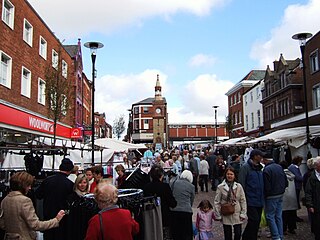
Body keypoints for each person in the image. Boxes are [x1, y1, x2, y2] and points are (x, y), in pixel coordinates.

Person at [0, 172, 65, 240]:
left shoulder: (5, 200)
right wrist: (56, 220)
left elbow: (2, 224)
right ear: (23, 185)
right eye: (28, 185)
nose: (30, 188)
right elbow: (35, 225)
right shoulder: (24, 201)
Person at [35, 158, 74, 240]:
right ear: (70, 170)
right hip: (63, 218)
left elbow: (38, 195)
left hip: (47, 216)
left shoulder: (47, 180)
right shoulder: (70, 184)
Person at [143, 164, 177, 239]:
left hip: (150, 219)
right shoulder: (165, 187)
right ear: (161, 175)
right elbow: (173, 204)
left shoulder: (146, 187)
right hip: (164, 218)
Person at [214, 167, 247, 240]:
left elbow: (243, 200)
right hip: (226, 213)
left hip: (237, 213)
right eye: (228, 174)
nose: (229, 176)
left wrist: (243, 213)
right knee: (227, 234)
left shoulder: (239, 186)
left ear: (234, 175)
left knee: (238, 233)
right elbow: (217, 201)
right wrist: (218, 214)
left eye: (231, 174)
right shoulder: (220, 187)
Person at [238, 149, 264, 240]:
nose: (261, 157)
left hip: (259, 200)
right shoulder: (245, 168)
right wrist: (243, 199)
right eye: (260, 155)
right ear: (255, 156)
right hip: (250, 199)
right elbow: (241, 184)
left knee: (256, 222)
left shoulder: (260, 168)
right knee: (254, 220)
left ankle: (247, 237)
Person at [66, 174, 98, 240]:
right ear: (77, 184)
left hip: (87, 228)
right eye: (80, 182)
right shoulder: (71, 197)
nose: (82, 185)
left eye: (84, 182)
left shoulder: (90, 198)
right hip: (74, 229)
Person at [262, 156, 287, 240]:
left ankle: (276, 236)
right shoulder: (279, 167)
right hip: (280, 193)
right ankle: (280, 235)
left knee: (270, 216)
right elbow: (285, 180)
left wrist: (266, 194)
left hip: (271, 195)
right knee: (278, 216)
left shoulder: (267, 169)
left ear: (265, 160)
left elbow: (266, 185)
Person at [171, 170, 195, 240]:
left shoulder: (174, 183)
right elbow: (191, 200)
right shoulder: (191, 186)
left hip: (175, 210)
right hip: (186, 211)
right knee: (186, 233)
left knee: (176, 233)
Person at [279, 160, 298, 235]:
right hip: (292, 197)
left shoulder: (281, 174)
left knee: (284, 214)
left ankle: (284, 229)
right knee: (292, 213)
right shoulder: (292, 174)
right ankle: (292, 228)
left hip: (284, 197)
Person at [305, 157, 320, 240]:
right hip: (316, 205)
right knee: (317, 225)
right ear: (316, 166)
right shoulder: (312, 178)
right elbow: (308, 192)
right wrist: (310, 205)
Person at [288, 156, 304, 222]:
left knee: (295, 201)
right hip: (295, 186)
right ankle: (294, 216)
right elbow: (298, 177)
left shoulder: (292, 167)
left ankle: (294, 216)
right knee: (295, 201)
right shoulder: (294, 168)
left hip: (295, 186)